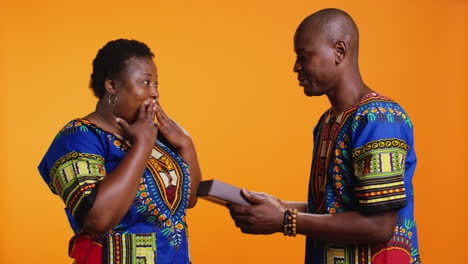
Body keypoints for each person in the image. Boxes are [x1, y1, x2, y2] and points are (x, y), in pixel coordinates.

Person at [228, 8, 421, 264]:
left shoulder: (379, 119)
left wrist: (286, 220)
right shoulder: (328, 122)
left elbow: (379, 225)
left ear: (339, 51)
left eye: (303, 55)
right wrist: (280, 206)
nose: (296, 66)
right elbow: (335, 210)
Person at [38, 39, 201, 264]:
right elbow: (97, 220)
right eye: (146, 82)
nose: (155, 94)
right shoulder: (78, 137)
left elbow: (187, 200)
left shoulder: (151, 135)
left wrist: (186, 145)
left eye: (156, 85)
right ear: (112, 85)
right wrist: (142, 146)